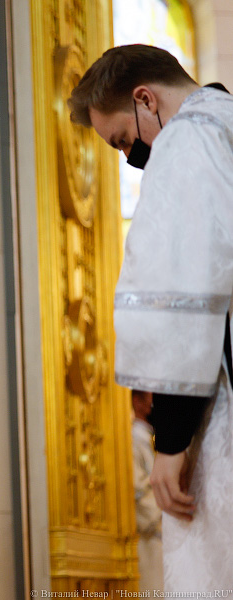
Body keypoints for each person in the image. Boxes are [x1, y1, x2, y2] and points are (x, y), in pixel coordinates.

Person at [69, 44, 233, 589]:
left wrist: (171, 439)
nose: (131, 156)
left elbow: (188, 291)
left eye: (123, 140)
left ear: (146, 99)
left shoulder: (187, 140)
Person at [131, 390, 162, 589]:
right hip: (152, 534)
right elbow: (137, 487)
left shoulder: (153, 436)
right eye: (153, 397)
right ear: (138, 401)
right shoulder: (132, 438)